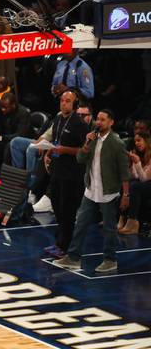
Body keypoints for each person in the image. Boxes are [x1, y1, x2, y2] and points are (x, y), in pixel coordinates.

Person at [54, 109, 129, 273]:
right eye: (98, 119)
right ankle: (73, 258)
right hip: (91, 189)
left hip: (108, 192)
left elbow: (124, 172)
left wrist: (126, 194)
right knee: (80, 224)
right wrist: (86, 144)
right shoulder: (92, 138)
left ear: (111, 123)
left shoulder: (117, 143)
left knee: (109, 228)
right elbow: (80, 159)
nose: (98, 122)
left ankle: (110, 260)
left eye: (103, 120)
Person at [44, 90, 89, 258]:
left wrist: (64, 150)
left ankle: (65, 246)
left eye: (68, 101)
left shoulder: (79, 124)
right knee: (56, 205)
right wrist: (49, 152)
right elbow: (55, 141)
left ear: (74, 104)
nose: (64, 104)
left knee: (67, 209)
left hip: (71, 173)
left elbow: (84, 150)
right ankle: (58, 242)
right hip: (57, 169)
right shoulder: (58, 119)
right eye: (62, 101)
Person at [118, 131, 151, 234]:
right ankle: (122, 218)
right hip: (144, 184)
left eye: (139, 140)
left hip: (148, 183)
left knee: (135, 186)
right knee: (127, 185)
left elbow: (144, 179)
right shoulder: (137, 154)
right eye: (135, 141)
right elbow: (134, 176)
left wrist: (137, 163)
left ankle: (133, 222)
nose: (136, 143)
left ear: (147, 141)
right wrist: (130, 164)